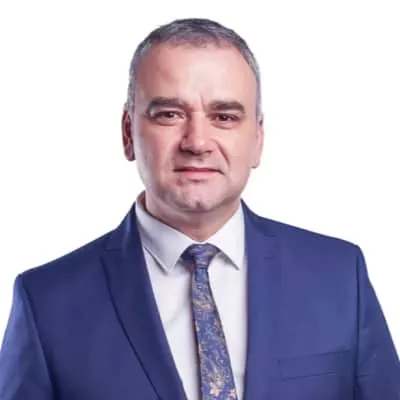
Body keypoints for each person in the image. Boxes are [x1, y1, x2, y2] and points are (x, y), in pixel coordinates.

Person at [0, 17, 399, 400]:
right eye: (170, 115)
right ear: (128, 133)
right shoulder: (46, 303)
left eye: (224, 116)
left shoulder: (339, 276)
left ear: (258, 139)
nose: (197, 142)